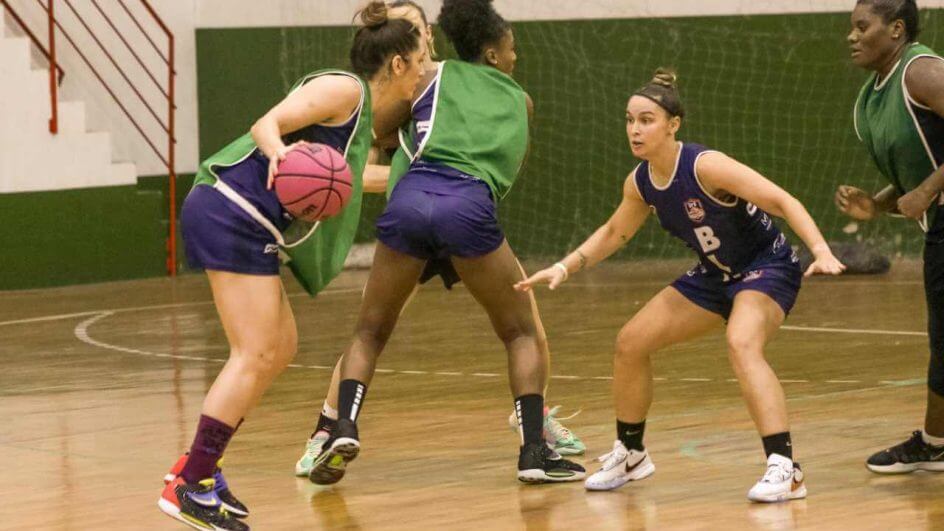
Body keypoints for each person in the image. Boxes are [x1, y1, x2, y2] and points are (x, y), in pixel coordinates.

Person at [517, 68, 846, 502]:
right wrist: (565, 265)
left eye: (647, 119)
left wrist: (820, 250)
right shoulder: (640, 182)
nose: (635, 129)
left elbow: (782, 200)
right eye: (630, 119)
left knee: (741, 341)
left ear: (673, 124)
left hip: (766, 267)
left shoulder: (706, 166)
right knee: (631, 342)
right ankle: (632, 454)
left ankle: (786, 468)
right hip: (714, 275)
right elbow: (615, 233)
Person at [157, 4, 424, 529]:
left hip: (251, 222)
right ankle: (191, 483)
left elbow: (350, 182)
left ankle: (198, 470)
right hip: (230, 210)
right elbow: (267, 123)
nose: (423, 72)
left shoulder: (362, 121)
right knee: (254, 351)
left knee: (281, 347)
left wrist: (426, 179)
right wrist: (279, 150)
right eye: (419, 61)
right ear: (396, 65)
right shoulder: (344, 89)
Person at [293, 0, 584, 481]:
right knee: (520, 332)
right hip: (467, 209)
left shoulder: (429, 79)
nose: (516, 56)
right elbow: (504, 172)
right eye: (511, 48)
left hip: (408, 205)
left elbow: (378, 128)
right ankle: (534, 449)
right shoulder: (522, 102)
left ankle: (342, 425)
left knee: (369, 332)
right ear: (492, 53)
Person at [839, 0, 944, 473]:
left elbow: (925, 180)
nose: (852, 36)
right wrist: (879, 204)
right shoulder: (871, 97)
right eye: (852, 28)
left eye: (864, 26)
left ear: (896, 28)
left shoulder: (920, 72)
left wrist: (926, 190)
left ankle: (936, 443)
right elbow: (919, 162)